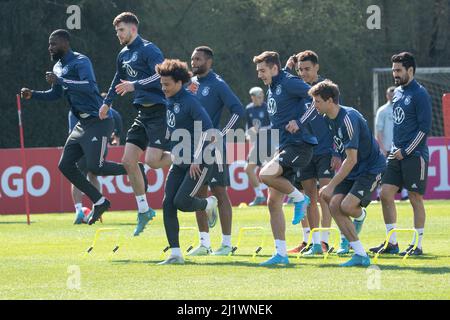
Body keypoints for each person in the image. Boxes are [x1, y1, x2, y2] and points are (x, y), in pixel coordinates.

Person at [20, 29, 128, 225]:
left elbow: (89, 85)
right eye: (49, 44)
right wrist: (33, 94)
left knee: (96, 167)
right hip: (82, 124)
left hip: (99, 120)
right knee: (65, 165)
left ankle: (133, 168)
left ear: (65, 43)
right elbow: (56, 94)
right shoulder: (57, 66)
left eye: (53, 43)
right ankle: (100, 201)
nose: (50, 47)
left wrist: (61, 80)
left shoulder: (81, 61)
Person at [100, 12, 172, 236]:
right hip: (142, 113)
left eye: (121, 30)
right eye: (117, 31)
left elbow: (162, 76)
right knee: (128, 161)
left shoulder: (149, 49)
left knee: (152, 160)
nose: (118, 34)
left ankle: (186, 156)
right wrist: (106, 103)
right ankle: (144, 210)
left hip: (160, 111)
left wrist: (135, 85)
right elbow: (117, 79)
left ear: (132, 29)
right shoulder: (122, 54)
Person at [309, 79, 386, 267]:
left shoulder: (348, 118)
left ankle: (359, 216)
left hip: (370, 168)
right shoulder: (328, 118)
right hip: (354, 169)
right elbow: (338, 141)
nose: (314, 105)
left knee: (346, 206)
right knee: (334, 204)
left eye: (317, 101)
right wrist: (336, 153)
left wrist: (331, 185)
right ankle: (360, 254)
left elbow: (352, 159)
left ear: (330, 101)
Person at [253, 51, 317, 266]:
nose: (260, 75)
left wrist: (299, 121)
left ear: (273, 68)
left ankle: (300, 198)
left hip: (300, 144)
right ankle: (281, 254)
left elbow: (316, 98)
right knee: (273, 203)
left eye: (263, 70)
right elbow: (284, 87)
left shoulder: (288, 82)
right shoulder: (276, 83)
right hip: (285, 145)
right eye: (258, 71)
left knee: (265, 174)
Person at [156, 59, 218, 265]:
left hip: (201, 161)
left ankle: (208, 203)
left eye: (167, 84)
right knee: (167, 204)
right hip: (180, 160)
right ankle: (175, 254)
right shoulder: (169, 100)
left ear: (179, 83)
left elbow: (209, 131)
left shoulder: (190, 102)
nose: (163, 88)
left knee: (182, 202)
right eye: (162, 84)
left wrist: (197, 158)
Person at [370, 52, 432, 256]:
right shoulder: (396, 93)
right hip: (395, 155)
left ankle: (417, 245)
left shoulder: (420, 94)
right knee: (385, 194)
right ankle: (392, 242)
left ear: (410, 70)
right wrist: (395, 150)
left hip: (414, 155)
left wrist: (406, 151)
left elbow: (424, 129)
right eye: (393, 70)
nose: (395, 74)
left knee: (415, 197)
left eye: (398, 70)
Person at [187, 46, 245, 256]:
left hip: (214, 147)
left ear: (209, 62)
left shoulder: (218, 84)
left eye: (198, 59)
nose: (194, 62)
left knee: (219, 192)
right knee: (198, 193)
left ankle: (227, 244)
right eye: (192, 59)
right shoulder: (190, 84)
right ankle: (204, 244)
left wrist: (221, 133)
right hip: (192, 146)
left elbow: (238, 110)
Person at [285, 50, 342, 255]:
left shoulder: (327, 89)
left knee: (325, 195)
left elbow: (337, 121)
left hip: (326, 150)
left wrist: (337, 150)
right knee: (306, 197)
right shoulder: (296, 89)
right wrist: (287, 68)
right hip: (304, 149)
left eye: (307, 69)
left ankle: (324, 241)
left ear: (317, 67)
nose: (303, 73)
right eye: (300, 69)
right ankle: (308, 241)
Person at [68, 101, 124, 224]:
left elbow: (72, 131)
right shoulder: (112, 113)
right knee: (93, 175)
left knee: (78, 176)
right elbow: (117, 133)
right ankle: (96, 207)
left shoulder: (76, 109)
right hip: (98, 146)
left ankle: (79, 210)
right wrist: (114, 137)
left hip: (81, 146)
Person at [374, 86, 409, 201]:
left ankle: (404, 193)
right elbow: (378, 131)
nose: (391, 96)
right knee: (383, 171)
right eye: (389, 94)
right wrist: (382, 147)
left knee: (403, 169)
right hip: (386, 147)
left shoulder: (402, 108)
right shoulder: (382, 110)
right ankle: (379, 193)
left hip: (400, 147)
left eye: (394, 94)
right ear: (386, 95)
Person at [244, 86, 273, 206]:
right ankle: (260, 196)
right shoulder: (249, 109)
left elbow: (273, 125)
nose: (261, 99)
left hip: (270, 141)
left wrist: (259, 130)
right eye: (258, 97)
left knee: (272, 172)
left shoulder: (268, 107)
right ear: (252, 97)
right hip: (257, 143)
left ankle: (289, 195)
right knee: (248, 169)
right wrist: (248, 134)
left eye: (262, 97)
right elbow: (248, 126)